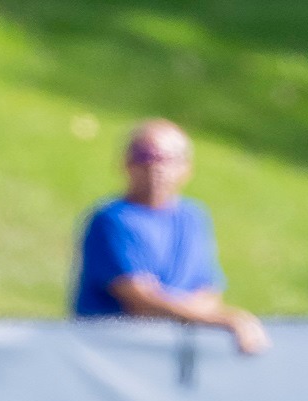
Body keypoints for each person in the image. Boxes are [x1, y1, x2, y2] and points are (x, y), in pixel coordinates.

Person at [71, 119, 269, 355]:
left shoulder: (192, 217)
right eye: (145, 157)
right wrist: (225, 320)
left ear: (186, 167)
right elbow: (141, 301)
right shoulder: (112, 220)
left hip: (173, 353)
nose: (156, 167)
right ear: (126, 163)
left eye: (167, 159)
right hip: (112, 355)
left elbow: (209, 291)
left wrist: (212, 315)